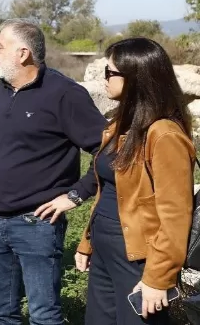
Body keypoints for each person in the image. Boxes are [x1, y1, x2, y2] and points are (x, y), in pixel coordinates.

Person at [0, 19, 106, 325]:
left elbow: (109, 151)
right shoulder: (4, 89)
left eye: (0, 46)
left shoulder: (64, 93)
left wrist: (75, 195)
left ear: (22, 53)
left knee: (44, 316)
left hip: (35, 224)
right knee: (0, 311)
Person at [75, 38, 196, 324]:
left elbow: (176, 214)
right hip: (106, 249)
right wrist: (87, 242)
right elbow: (109, 192)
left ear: (135, 79)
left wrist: (158, 277)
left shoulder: (164, 135)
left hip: (139, 256)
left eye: (110, 73)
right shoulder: (120, 125)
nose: (104, 79)